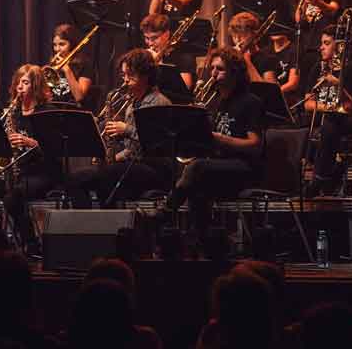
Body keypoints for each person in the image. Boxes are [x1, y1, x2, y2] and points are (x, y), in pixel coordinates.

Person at [165, 47, 264, 238]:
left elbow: (254, 145)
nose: (213, 73)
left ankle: (168, 211)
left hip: (244, 167)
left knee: (197, 169)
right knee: (196, 185)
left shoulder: (251, 102)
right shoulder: (215, 101)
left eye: (220, 69)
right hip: (217, 164)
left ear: (235, 73)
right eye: (212, 68)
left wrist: (220, 139)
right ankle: (202, 240)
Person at [70, 48, 172, 208]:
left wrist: (126, 129)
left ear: (146, 75)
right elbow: (133, 149)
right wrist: (112, 158)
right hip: (134, 164)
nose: (125, 80)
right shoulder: (133, 103)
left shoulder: (158, 102)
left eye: (130, 75)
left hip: (155, 168)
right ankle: (90, 223)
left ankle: (107, 222)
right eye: (123, 75)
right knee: (76, 179)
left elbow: (156, 142)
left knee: (107, 176)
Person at [0, 64, 55, 252]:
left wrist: (30, 142)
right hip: (16, 172)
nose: (19, 87)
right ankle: (1, 243)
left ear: (36, 86)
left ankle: (32, 244)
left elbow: (55, 148)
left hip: (41, 172)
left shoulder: (46, 112)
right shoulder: (13, 113)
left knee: (11, 199)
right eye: (18, 83)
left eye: (25, 83)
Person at [302, 25, 352, 197]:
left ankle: (319, 179)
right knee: (302, 125)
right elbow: (308, 103)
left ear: (339, 46)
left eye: (326, 43)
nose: (321, 47)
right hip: (328, 114)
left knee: (330, 125)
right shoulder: (318, 67)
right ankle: (332, 171)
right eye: (321, 43)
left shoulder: (351, 68)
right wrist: (326, 108)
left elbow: (350, 107)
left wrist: (337, 84)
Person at [141, 13, 197, 90]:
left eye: (154, 38)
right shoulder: (148, 54)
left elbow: (184, 89)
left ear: (167, 34)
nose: (150, 43)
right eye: (147, 38)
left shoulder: (184, 56)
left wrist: (158, 65)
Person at [46, 23, 94, 106]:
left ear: (72, 44)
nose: (57, 49)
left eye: (62, 44)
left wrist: (67, 70)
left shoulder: (85, 65)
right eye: (55, 45)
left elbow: (79, 97)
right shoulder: (52, 65)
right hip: (53, 110)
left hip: (73, 111)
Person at [256, 27, 300, 104]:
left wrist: (274, 94)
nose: (275, 31)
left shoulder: (295, 51)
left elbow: (293, 83)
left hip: (286, 99)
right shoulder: (264, 52)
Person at [227, 11, 266, 83]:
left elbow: (269, 90)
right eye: (234, 36)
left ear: (253, 34)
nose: (237, 40)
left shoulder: (267, 58)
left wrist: (247, 61)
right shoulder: (233, 59)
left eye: (242, 35)